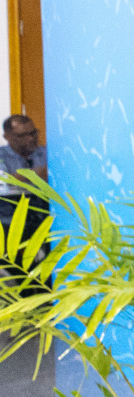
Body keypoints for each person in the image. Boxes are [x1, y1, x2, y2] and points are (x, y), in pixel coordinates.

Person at [0, 115, 50, 276]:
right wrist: (38, 173)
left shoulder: (47, 152)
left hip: (45, 217)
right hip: (10, 220)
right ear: (7, 137)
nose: (30, 138)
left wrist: (22, 176)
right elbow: (6, 179)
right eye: (22, 135)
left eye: (33, 133)